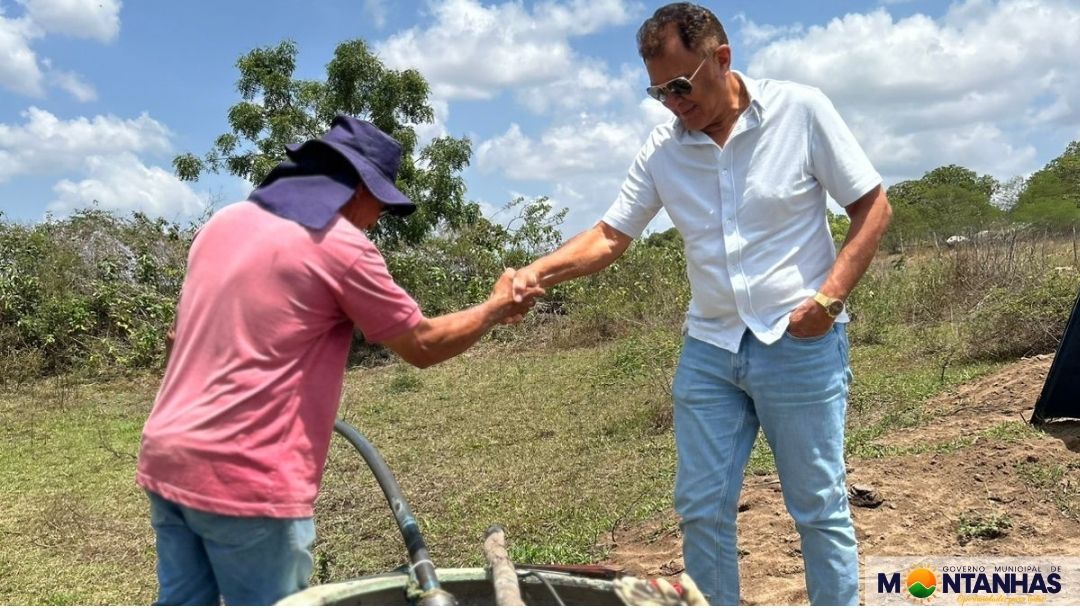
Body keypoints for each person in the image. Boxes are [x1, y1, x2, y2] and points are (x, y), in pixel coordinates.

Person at [511, 3, 892, 605]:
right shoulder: (664, 149)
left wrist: (829, 297)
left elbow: (872, 206)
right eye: (658, 91)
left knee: (816, 505)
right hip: (711, 350)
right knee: (701, 508)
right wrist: (537, 272)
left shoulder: (801, 110)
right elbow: (611, 235)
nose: (672, 102)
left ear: (721, 58)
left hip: (799, 344)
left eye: (681, 85)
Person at [136, 115, 542, 605]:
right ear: (356, 190)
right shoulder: (341, 247)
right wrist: (498, 307)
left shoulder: (222, 224)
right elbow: (424, 345)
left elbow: (179, 338)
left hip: (168, 455)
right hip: (246, 477)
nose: (377, 219)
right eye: (380, 205)